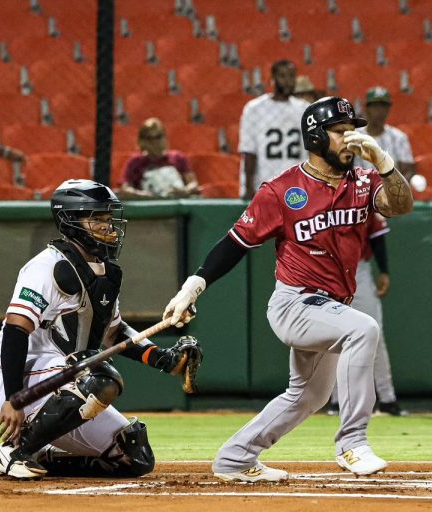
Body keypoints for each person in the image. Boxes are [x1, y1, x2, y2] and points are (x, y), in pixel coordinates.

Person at [162, 96, 414, 482]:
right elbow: (235, 242)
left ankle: (235, 458)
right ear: (315, 136)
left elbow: (401, 205)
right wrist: (194, 286)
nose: (350, 139)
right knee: (362, 329)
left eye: (352, 130)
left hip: (331, 306)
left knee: (308, 396)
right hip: (295, 303)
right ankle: (352, 442)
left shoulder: (363, 181)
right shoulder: (282, 190)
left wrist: (383, 162)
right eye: (340, 131)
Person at [0, 179, 202, 479]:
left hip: (67, 386)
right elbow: (16, 331)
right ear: (71, 222)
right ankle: (13, 453)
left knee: (134, 455)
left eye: (108, 219)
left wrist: (162, 358)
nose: (108, 227)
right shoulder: (46, 266)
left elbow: (115, 334)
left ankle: (40, 452)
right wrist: (13, 397)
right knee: (100, 377)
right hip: (16, 378)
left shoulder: (104, 273)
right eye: (97, 219)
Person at [326, 213, 408, 417]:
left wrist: (384, 271)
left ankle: (387, 398)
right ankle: (337, 400)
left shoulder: (362, 190)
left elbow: (377, 237)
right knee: (332, 337)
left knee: (375, 333)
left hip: (358, 270)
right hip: (326, 270)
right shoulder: (318, 194)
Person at [238, 59, 310, 199]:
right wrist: (248, 188)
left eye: (291, 76)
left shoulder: (303, 109)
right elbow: (249, 152)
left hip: (296, 184)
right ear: (272, 79)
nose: (288, 81)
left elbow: (311, 152)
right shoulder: (255, 109)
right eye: (283, 76)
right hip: (264, 182)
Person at [118, 117, 199, 199]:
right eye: (149, 138)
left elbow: (193, 184)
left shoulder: (178, 158)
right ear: (142, 142)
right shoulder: (135, 162)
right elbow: (125, 189)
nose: (155, 142)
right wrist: (144, 195)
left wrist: (184, 191)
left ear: (165, 138)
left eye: (158, 137)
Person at [353, 87, 416, 181]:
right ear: (366, 109)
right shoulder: (353, 136)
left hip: (389, 189)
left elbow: (408, 171)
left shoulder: (399, 137)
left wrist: (397, 189)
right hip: (358, 189)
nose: (380, 111)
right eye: (375, 106)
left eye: (384, 106)